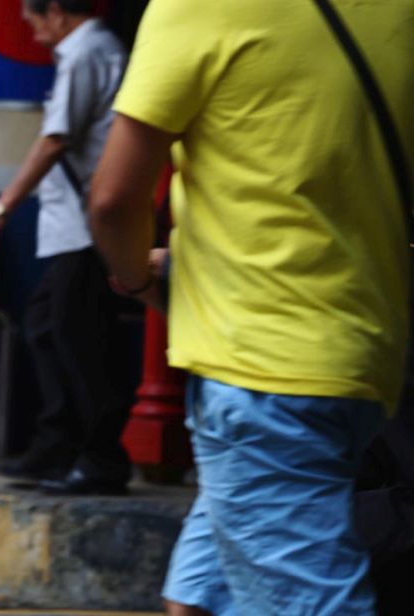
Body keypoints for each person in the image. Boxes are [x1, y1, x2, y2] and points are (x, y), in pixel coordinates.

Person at [86, 0, 413, 613]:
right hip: (361, 359)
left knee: (307, 603)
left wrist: (135, 282)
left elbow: (113, 198)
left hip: (259, 372)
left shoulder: (204, 8)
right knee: (199, 598)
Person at [0, 0, 131, 493]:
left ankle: (101, 456)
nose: (35, 33)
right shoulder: (88, 51)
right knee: (45, 326)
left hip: (88, 226)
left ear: (58, 12)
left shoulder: (87, 52)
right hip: (72, 225)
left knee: (78, 338)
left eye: (36, 20)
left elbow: (55, 140)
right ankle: (56, 446)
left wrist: (1, 209)